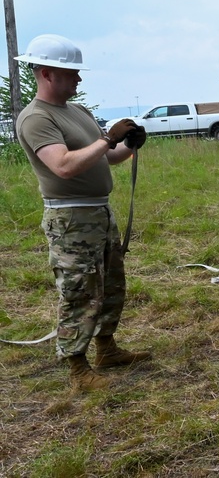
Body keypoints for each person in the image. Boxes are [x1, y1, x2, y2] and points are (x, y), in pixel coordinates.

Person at [14, 34, 151, 391]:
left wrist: (127, 146)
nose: (78, 79)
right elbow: (62, 166)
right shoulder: (35, 118)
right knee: (79, 290)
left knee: (110, 285)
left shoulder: (78, 112)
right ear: (46, 73)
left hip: (98, 213)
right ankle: (78, 370)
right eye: (71, 73)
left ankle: (106, 349)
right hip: (70, 219)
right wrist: (107, 139)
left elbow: (104, 158)